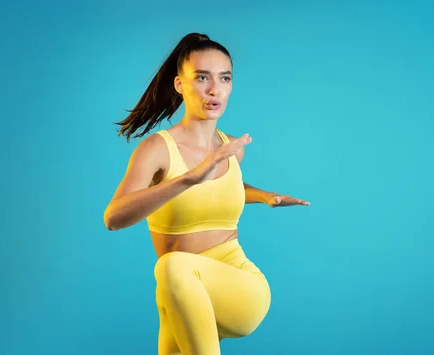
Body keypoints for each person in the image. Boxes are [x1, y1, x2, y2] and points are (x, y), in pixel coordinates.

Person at [103, 32, 310, 355]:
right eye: (202, 78)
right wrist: (188, 179)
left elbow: (225, 187)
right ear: (179, 84)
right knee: (171, 277)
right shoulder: (158, 149)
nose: (215, 89)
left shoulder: (230, 149)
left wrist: (266, 196)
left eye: (224, 79)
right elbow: (114, 218)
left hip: (240, 287)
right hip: (180, 291)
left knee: (171, 266)